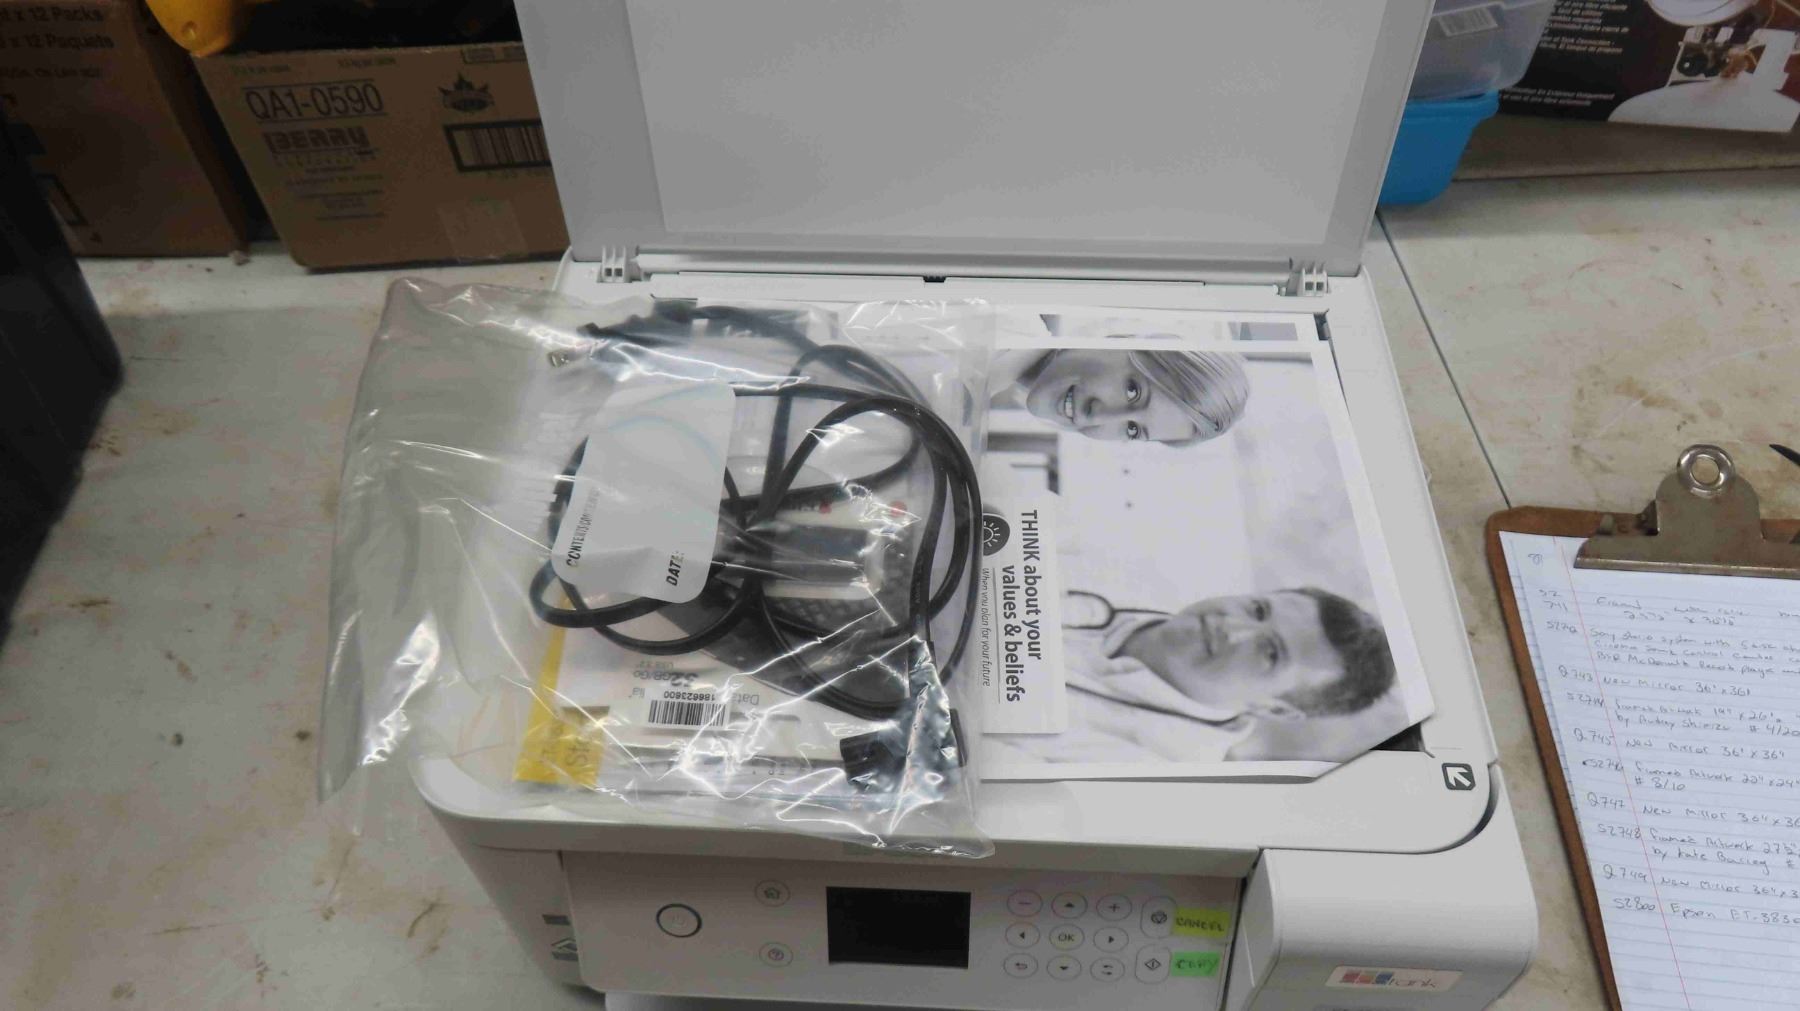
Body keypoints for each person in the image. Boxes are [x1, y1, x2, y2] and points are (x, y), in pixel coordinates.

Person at [992, 588, 1396, 765]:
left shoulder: (1144, 772)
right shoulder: (1127, 566)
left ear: (1275, 709)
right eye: (1257, 610)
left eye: (1269, 652)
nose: (1231, 628)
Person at [989, 344, 1250, 446]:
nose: (1098, 416)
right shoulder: (986, 344)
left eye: (1132, 430)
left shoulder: (993, 376)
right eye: (1133, 391)